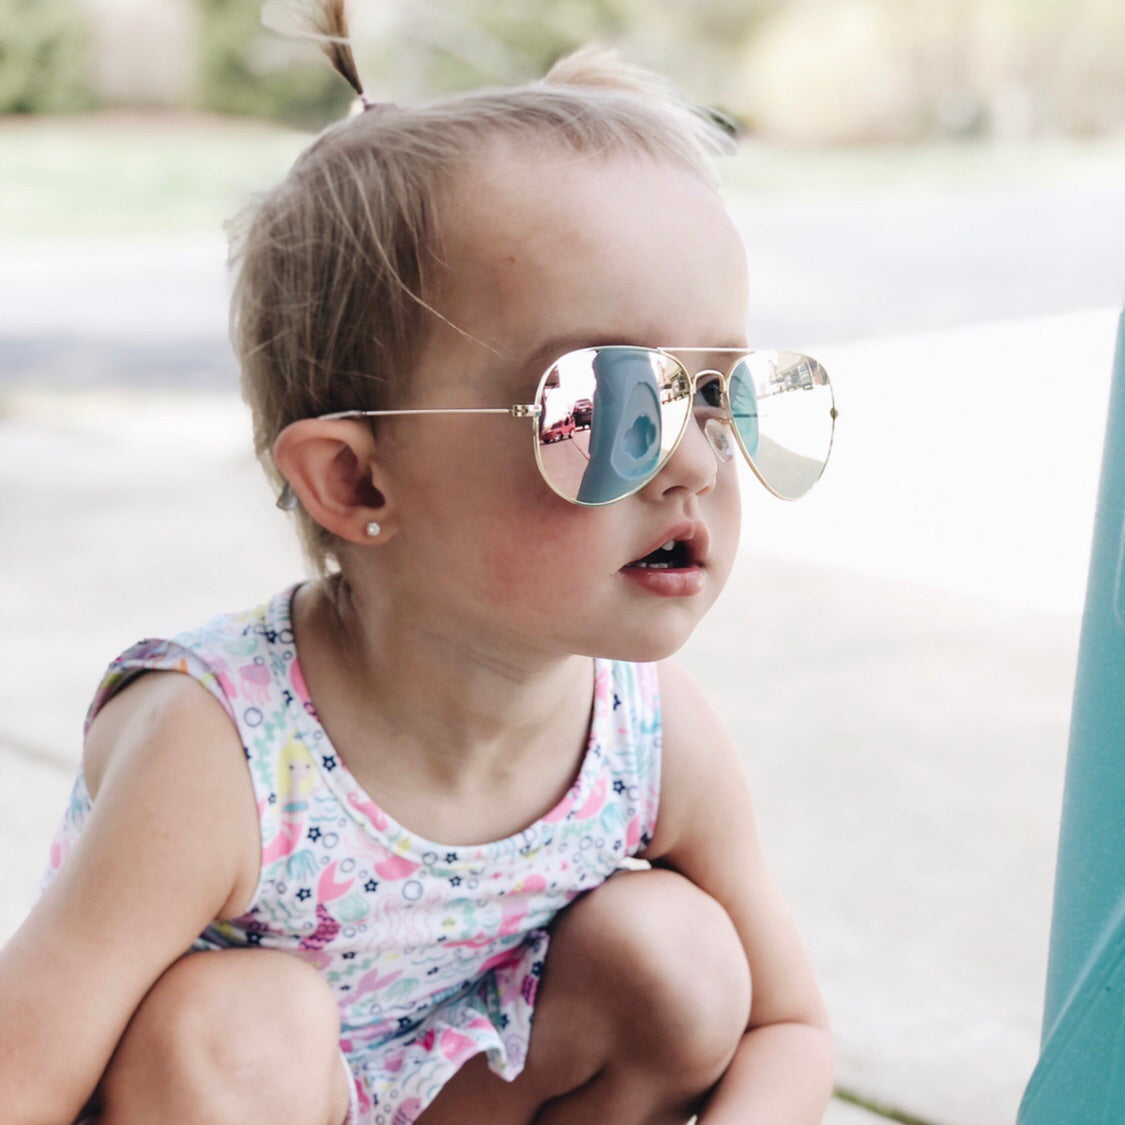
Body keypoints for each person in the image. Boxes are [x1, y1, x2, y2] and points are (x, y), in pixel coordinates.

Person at [0, 5, 838, 1122]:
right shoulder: (223, 754)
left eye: (721, 392)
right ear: (358, 483)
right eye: (605, 406)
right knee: (246, 1025)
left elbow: (789, 1026)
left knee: (682, 956)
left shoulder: (648, 734)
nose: (692, 463)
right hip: (229, 1094)